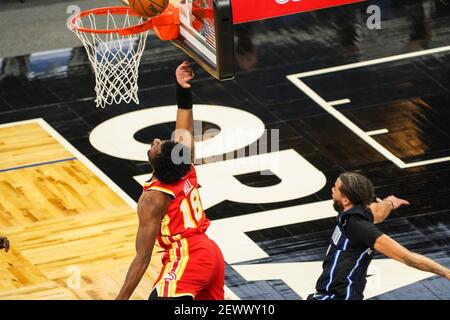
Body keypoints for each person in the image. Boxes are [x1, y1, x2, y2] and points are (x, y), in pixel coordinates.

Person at [116, 61, 225, 300]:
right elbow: (185, 121)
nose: (156, 140)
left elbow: (142, 257)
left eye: (157, 145)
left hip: (188, 255)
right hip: (211, 254)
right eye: (160, 143)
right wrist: (183, 89)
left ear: (158, 162)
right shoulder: (186, 167)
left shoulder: (152, 198)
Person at [308, 172, 450, 300]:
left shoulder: (359, 227)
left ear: (346, 201)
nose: (332, 190)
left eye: (335, 188)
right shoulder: (352, 211)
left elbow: (407, 257)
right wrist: (390, 203)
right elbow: (378, 212)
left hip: (338, 296)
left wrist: (446, 272)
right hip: (326, 292)